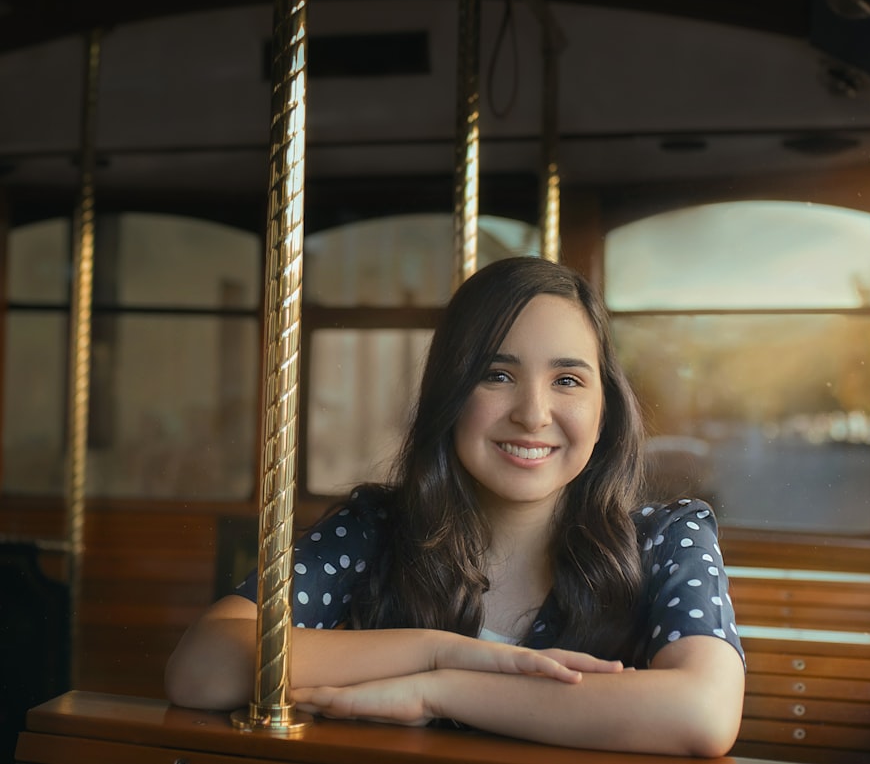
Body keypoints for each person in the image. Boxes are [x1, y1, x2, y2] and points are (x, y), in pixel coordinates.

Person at [165, 256, 745, 757]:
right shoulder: (379, 529)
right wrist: (436, 651)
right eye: (497, 374)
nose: (533, 413)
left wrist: (437, 689)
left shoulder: (668, 539)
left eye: (568, 380)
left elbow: (701, 712)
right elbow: (202, 668)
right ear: (450, 394)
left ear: (605, 411)